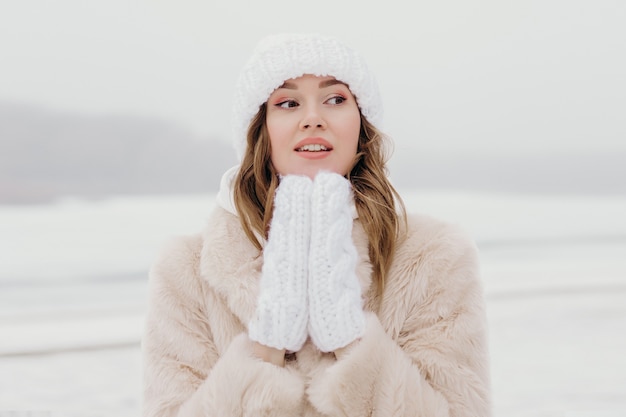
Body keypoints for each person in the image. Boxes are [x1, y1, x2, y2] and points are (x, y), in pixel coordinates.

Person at [142, 33, 491, 417]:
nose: (313, 119)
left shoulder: (435, 256)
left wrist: (350, 338)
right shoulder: (186, 271)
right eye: (288, 103)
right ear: (261, 129)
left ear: (361, 123)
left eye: (336, 99)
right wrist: (266, 348)